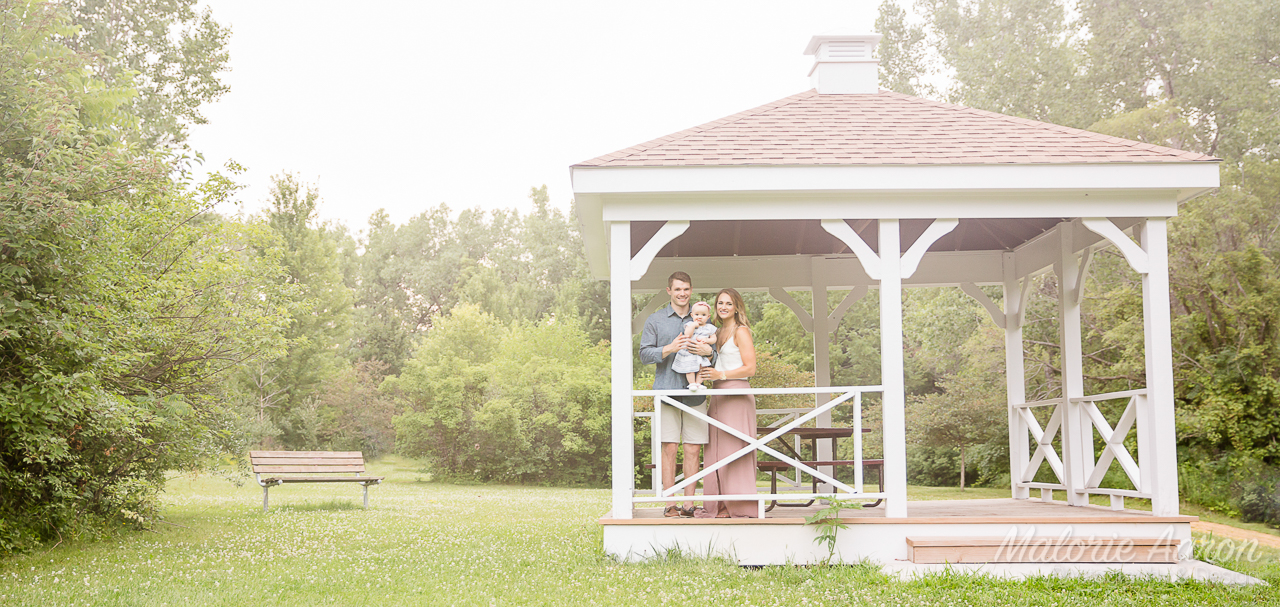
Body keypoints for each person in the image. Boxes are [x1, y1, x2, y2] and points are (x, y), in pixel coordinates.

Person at [638, 271, 715, 518]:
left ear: (691, 290)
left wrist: (708, 352)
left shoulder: (703, 316)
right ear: (669, 291)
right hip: (666, 390)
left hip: (695, 393)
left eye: (687, 289)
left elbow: (716, 353)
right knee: (669, 447)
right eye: (678, 289)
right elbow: (643, 354)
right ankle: (670, 503)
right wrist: (670, 347)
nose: (683, 293)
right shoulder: (656, 319)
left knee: (693, 449)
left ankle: (689, 504)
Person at [695, 287, 759, 518]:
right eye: (720, 303)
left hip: (737, 395)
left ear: (736, 307)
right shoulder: (718, 332)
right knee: (716, 450)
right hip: (718, 395)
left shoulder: (741, 332)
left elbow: (750, 368)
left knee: (735, 450)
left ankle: (740, 505)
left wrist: (720, 375)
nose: (723, 307)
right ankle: (719, 505)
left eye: (728, 303)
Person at [671, 301, 717, 391]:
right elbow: (687, 335)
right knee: (689, 368)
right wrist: (693, 326)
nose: (699, 317)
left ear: (708, 316)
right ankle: (692, 383)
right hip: (689, 352)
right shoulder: (689, 324)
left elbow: (714, 339)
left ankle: (698, 383)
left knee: (702, 368)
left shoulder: (710, 327)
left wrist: (707, 340)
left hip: (702, 353)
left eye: (703, 315)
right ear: (692, 315)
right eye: (697, 314)